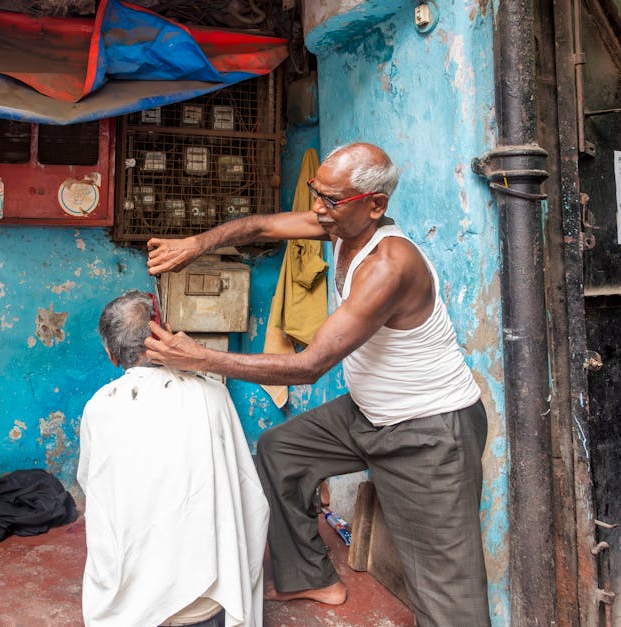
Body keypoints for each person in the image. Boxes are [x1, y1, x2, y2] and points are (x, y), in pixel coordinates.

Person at [144, 143, 490, 627]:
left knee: (446, 592)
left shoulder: (388, 266)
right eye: (316, 194)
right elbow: (261, 226)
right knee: (280, 451)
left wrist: (197, 357)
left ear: (375, 205)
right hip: (370, 414)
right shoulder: (338, 224)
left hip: (430, 431)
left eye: (331, 201)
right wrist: (195, 244)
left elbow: (308, 366)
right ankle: (310, 575)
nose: (317, 210)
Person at [77, 290, 269, 627]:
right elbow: (250, 497)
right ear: (165, 337)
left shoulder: (99, 408)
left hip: (129, 611)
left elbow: (92, 489)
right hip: (209, 603)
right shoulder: (214, 396)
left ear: (112, 355)